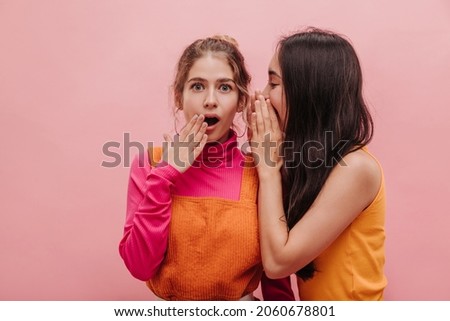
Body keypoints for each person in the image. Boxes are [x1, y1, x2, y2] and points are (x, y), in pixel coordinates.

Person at [119, 35, 294, 300]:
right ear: (179, 97)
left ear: (241, 101)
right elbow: (139, 266)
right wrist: (165, 174)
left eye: (224, 88)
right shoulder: (150, 163)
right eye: (198, 86)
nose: (210, 100)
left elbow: (277, 277)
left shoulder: (263, 171)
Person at [249, 27, 387, 300]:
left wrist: (268, 167)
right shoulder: (310, 161)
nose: (263, 95)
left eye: (274, 84)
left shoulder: (356, 168)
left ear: (308, 93)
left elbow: (278, 263)